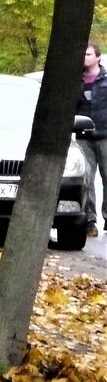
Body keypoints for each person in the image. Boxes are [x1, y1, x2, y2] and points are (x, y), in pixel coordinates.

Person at [76, 43, 107, 237]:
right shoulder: (76, 81)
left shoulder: (105, 81)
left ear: (97, 57)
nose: (84, 57)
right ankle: (89, 220)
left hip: (105, 135)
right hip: (83, 136)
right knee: (86, 179)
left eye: (88, 54)